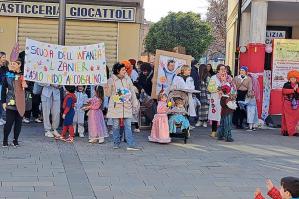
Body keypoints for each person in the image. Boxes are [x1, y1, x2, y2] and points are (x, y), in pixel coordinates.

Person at [105, 62, 140, 151]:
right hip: (116, 106)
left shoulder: (128, 79)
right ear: (118, 70)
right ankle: (116, 143)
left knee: (128, 126)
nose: (125, 71)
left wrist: (134, 103)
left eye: (125, 69)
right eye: (123, 69)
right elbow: (108, 94)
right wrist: (106, 87)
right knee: (116, 126)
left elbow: (132, 92)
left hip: (127, 106)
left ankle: (130, 144)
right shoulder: (111, 80)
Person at [2, 56, 27, 147]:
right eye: (11, 63)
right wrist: (3, 101)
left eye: (14, 64)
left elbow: (29, 89)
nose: (12, 65)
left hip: (21, 102)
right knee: (9, 122)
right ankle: (5, 140)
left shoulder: (24, 74)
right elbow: (3, 89)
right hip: (10, 101)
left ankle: (15, 140)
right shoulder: (8, 74)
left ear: (19, 65)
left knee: (18, 123)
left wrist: (25, 84)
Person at [208, 64, 235, 138]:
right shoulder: (214, 78)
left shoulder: (229, 78)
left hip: (226, 99)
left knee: (225, 116)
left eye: (224, 69)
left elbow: (233, 88)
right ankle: (214, 131)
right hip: (216, 98)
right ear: (218, 70)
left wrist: (231, 94)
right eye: (221, 69)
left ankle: (224, 132)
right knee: (215, 115)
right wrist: (219, 89)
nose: (223, 70)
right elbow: (210, 88)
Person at [281, 70, 299, 136]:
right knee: (287, 118)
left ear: (297, 79)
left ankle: (294, 131)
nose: (293, 79)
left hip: (296, 104)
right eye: (291, 78)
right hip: (287, 104)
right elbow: (284, 91)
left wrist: (296, 89)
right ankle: (286, 130)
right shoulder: (286, 84)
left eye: (294, 78)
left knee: (295, 119)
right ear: (289, 78)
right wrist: (293, 89)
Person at [0, 52, 8, 126]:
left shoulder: (5, 67)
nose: (4, 59)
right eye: (3, 57)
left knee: (2, 102)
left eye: (5, 57)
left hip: (3, 87)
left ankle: (1, 118)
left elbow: (8, 74)